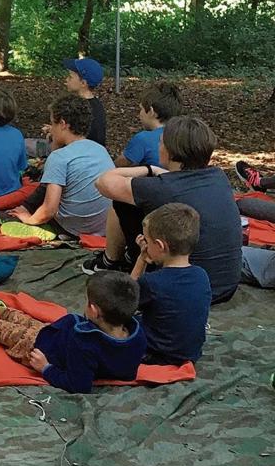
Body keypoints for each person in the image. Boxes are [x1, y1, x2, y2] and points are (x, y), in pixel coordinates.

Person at [88, 116, 242, 303]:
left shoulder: (160, 188)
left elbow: (103, 182)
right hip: (225, 285)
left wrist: (149, 168)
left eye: (160, 143)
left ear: (169, 151)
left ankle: (111, 261)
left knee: (122, 202)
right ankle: (128, 256)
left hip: (182, 292)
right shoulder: (219, 177)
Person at [0, 271, 146, 393]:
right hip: (52, 333)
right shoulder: (137, 335)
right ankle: (1, 311)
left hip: (36, 347)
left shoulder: (84, 344)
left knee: (0, 329)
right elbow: (127, 372)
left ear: (94, 311)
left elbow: (78, 385)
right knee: (25, 320)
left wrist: (46, 368)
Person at [11, 95, 114, 236]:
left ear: (63, 124)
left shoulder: (59, 158)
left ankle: (26, 209)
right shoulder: (99, 149)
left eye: (53, 124)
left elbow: (49, 209)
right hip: (104, 227)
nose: (51, 129)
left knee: (42, 202)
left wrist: (29, 219)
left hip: (75, 229)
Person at [131, 203, 210, 366]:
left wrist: (141, 261)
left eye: (147, 241)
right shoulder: (201, 275)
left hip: (157, 356)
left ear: (160, 246)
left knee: (109, 319)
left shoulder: (153, 282)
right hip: (190, 353)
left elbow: (123, 301)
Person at [115, 82, 182, 168]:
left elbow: (118, 164)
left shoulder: (143, 139)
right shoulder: (184, 135)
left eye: (141, 109)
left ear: (151, 112)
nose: (139, 114)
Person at [61, 56, 106, 146]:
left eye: (70, 77)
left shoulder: (77, 109)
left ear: (83, 83)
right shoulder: (97, 105)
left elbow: (70, 141)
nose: (66, 79)